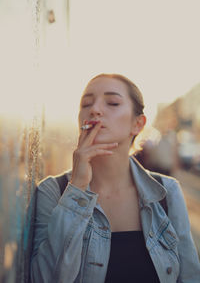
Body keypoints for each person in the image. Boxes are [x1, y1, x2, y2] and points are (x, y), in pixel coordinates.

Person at [30, 73, 200, 283]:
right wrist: (77, 187)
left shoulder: (167, 191)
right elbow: (43, 279)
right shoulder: (53, 192)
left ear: (137, 124)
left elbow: (190, 276)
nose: (94, 110)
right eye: (86, 103)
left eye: (112, 102)